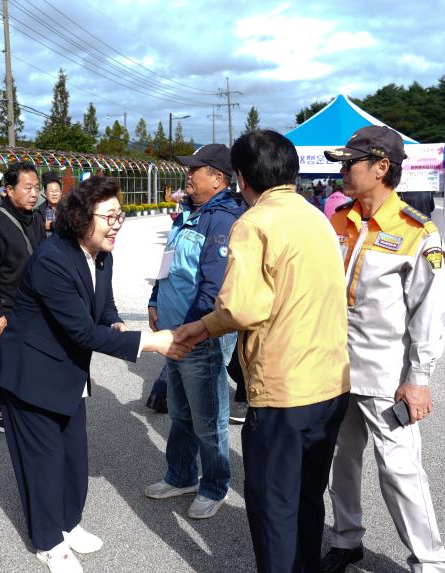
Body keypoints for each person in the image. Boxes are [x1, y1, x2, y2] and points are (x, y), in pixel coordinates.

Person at [0, 177, 188, 573]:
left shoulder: (101, 255)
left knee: (73, 458)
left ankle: (68, 522)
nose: (116, 225)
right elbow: (82, 331)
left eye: (119, 216)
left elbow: (104, 305)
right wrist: (152, 342)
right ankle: (48, 542)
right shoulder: (52, 260)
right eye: (109, 217)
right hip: (30, 375)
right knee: (43, 464)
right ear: (81, 217)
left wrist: (115, 323)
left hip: (68, 372)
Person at [175, 129, 351, 572]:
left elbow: (241, 307)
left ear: (240, 177)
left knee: (274, 504)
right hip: (331, 383)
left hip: (283, 389)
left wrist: (199, 326)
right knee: (308, 495)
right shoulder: (318, 217)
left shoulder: (254, 223)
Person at [321, 125, 445, 572]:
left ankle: (429, 563)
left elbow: (429, 312)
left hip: (386, 377)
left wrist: (419, 379)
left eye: (349, 163)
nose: (342, 171)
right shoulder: (338, 220)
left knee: (400, 472)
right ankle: (345, 540)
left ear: (381, 167)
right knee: (340, 461)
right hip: (334, 371)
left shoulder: (416, 231)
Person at [144, 143, 242, 520]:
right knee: (181, 411)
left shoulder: (222, 220)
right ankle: (181, 475)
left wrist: (192, 330)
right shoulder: (188, 213)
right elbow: (168, 263)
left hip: (198, 337)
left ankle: (214, 485)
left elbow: (213, 288)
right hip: (174, 334)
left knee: (209, 418)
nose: (187, 175)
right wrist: (155, 298)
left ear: (217, 179)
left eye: (194, 170)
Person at [0, 162, 46, 432]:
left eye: (36, 188)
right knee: (5, 361)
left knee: (23, 359)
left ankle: (6, 407)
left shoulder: (35, 217)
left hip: (30, 305)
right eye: (27, 188)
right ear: (8, 189)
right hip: (6, 307)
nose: (34, 193)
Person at [39, 172, 62, 236]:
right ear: (45, 193)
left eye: (57, 191)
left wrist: (51, 225)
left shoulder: (68, 209)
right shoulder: (39, 211)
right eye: (51, 191)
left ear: (61, 192)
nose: (54, 194)